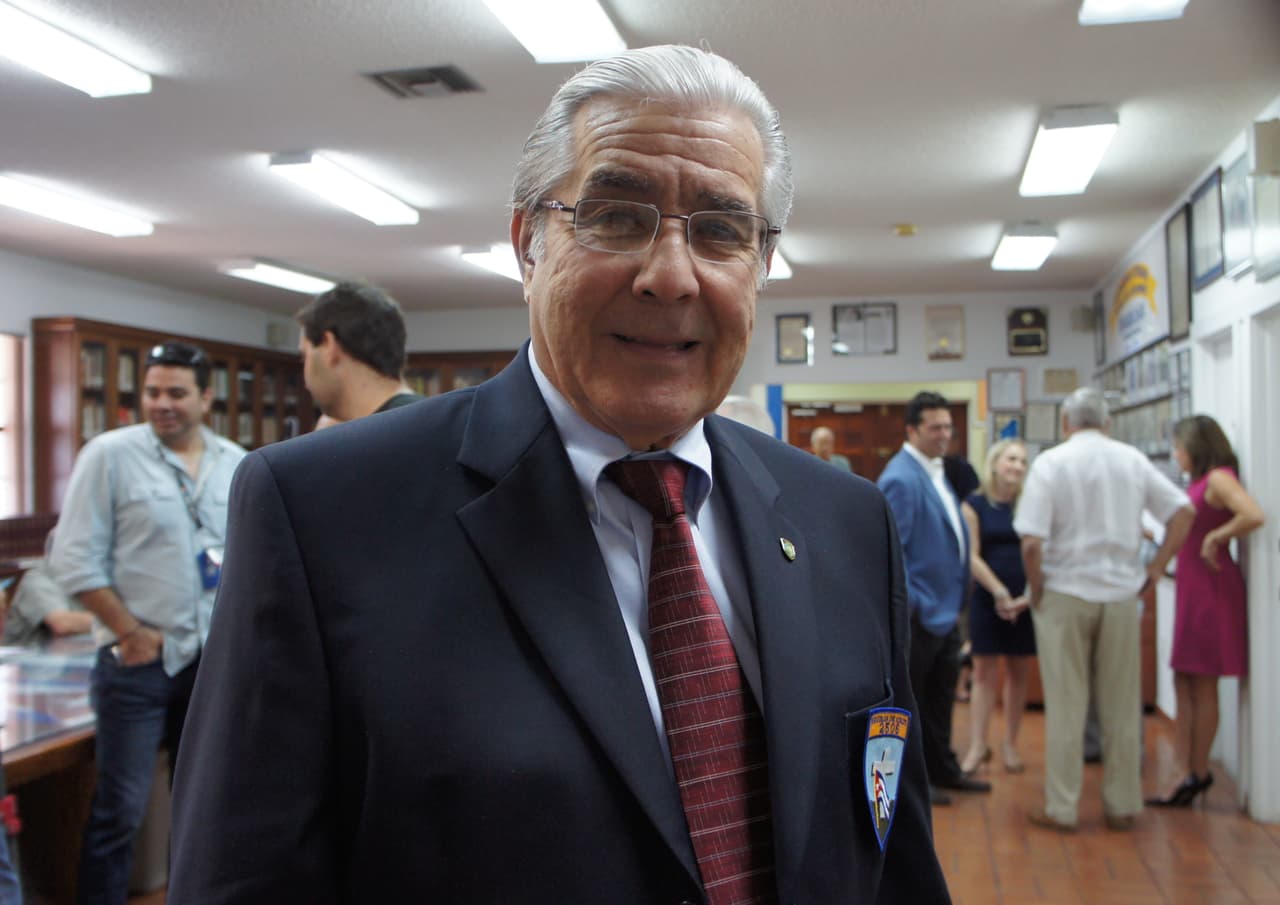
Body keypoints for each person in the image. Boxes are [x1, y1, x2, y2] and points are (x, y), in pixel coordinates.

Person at [168, 45, 951, 904]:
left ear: (761, 265)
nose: (670, 275)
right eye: (616, 216)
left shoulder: (845, 521)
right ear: (527, 244)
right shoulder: (321, 515)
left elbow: (894, 860)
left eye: (721, 230)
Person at [47, 341, 246, 905]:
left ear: (205, 399)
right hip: (138, 664)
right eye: (153, 392)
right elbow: (73, 558)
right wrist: (128, 631)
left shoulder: (235, 461)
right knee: (121, 810)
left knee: (201, 805)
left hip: (210, 663)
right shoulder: (108, 456)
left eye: (176, 393)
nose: (162, 403)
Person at [1016, 387, 1192, 833]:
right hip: (1120, 594)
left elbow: (1032, 542)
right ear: (1108, 423)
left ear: (1065, 423)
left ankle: (1063, 806)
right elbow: (1183, 512)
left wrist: (1037, 588)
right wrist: (1156, 568)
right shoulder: (1131, 460)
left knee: (1066, 703)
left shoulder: (1051, 463)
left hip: (1065, 591)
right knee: (1122, 704)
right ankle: (1122, 804)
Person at [878, 391, 989, 806]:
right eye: (935, 427)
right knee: (916, 704)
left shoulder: (935, 470)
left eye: (948, 427)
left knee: (940, 700)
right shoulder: (901, 478)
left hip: (946, 611)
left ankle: (944, 770)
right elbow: (892, 552)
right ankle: (914, 785)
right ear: (912, 430)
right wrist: (918, 606)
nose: (944, 434)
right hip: (922, 614)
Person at [1147, 415, 1264, 807]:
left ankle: (1196, 770)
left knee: (1202, 680)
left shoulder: (1218, 479)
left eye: (1179, 447)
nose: (1176, 454)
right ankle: (1185, 770)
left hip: (1210, 589)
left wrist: (1217, 536)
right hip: (1192, 585)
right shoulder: (1201, 482)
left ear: (1195, 447)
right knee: (1184, 677)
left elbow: (1253, 514)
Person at [958, 439, 1034, 776]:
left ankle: (1010, 745)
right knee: (983, 672)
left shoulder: (1030, 503)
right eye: (1011, 459)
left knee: (1019, 672)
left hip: (1025, 600)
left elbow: (1040, 549)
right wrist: (1000, 592)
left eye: (1023, 461)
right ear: (995, 463)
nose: (1017, 466)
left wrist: (1026, 596)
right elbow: (972, 556)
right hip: (988, 597)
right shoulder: (974, 504)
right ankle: (978, 745)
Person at [295, 281, 421, 421]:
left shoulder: (389, 430)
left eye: (305, 357)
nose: (306, 383)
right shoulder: (421, 419)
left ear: (328, 346)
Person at [2, 530, 93, 646]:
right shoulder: (35, 579)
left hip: (75, 653)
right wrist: (111, 620)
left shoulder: (85, 579)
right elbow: (62, 624)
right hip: (29, 656)